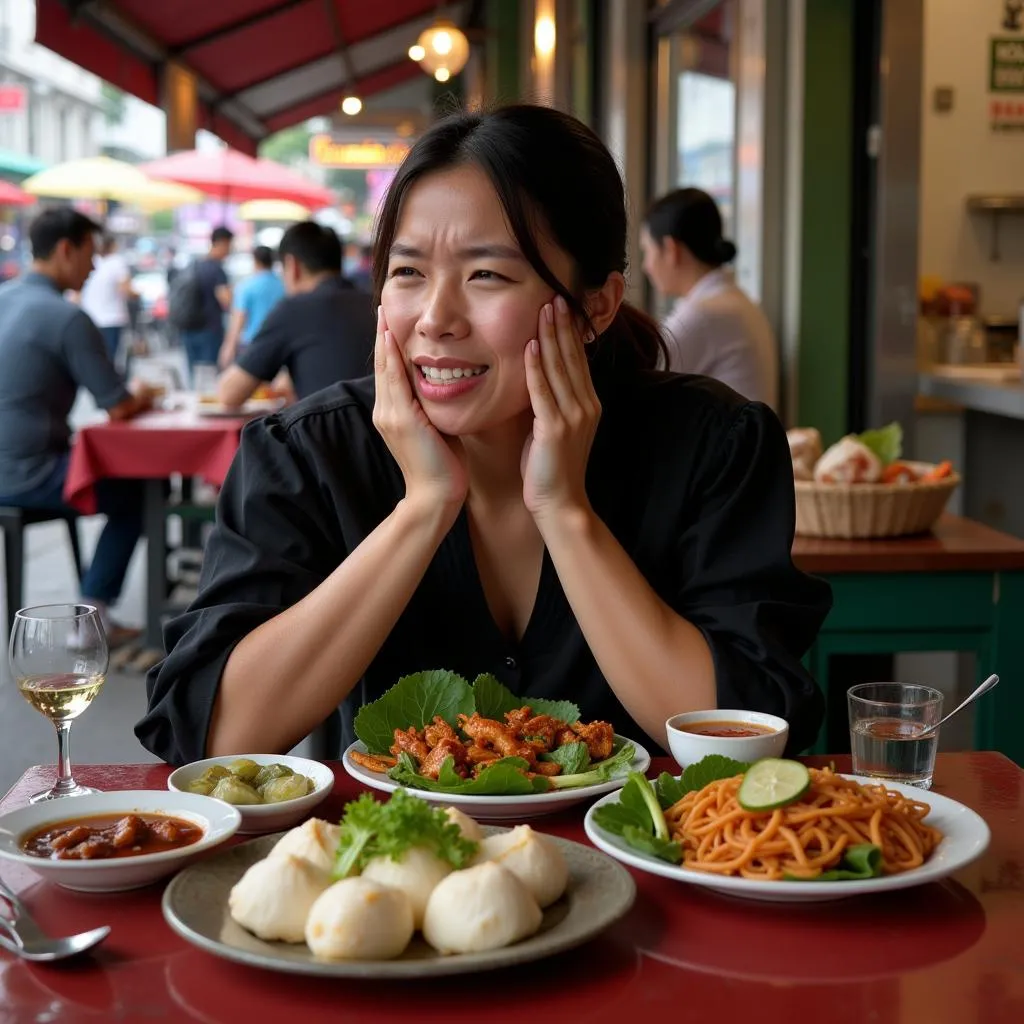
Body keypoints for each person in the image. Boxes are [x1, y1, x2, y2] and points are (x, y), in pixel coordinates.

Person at [138, 104, 831, 766]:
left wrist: (566, 513)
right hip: (397, 877)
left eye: (487, 274)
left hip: (649, 872)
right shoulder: (307, 455)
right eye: (407, 272)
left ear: (597, 304)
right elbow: (215, 732)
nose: (435, 317)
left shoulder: (714, 446)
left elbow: (745, 733)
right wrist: (421, 510)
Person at [0, 208, 156, 645]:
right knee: (140, 490)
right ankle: (93, 614)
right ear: (66, 249)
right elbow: (119, 406)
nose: (94, 266)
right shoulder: (67, 317)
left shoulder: (5, 297)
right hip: (29, 473)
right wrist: (145, 394)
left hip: (11, 465)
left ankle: (95, 602)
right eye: (90, 254)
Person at [640, 188, 779, 409]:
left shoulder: (705, 314)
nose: (645, 266)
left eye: (647, 251)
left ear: (671, 249)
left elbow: (639, 389)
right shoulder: (733, 301)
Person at [215, 222, 374, 407]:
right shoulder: (373, 303)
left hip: (323, 434)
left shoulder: (295, 308)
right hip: (386, 434)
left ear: (292, 265)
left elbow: (228, 395)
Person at [217, 246, 285, 370]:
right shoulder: (284, 285)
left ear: (255, 261)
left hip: (253, 344)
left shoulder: (247, 287)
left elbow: (238, 319)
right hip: (281, 345)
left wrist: (229, 347)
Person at [178, 226, 233, 375]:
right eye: (229, 245)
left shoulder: (194, 265)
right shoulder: (217, 270)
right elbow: (226, 300)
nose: (230, 250)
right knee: (208, 377)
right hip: (209, 330)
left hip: (188, 328)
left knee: (194, 375)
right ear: (222, 243)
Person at [79, 234, 133, 366]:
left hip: (90, 319)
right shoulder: (117, 262)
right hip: (112, 319)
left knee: (95, 361)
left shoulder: (90, 262)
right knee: (110, 361)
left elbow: (76, 295)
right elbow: (126, 290)